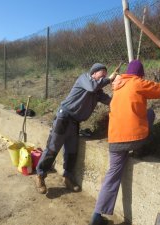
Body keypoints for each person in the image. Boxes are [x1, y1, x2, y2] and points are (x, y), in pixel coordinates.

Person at [89, 60, 160, 225]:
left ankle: (96, 215)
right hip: (135, 140)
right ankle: (140, 150)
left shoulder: (117, 86)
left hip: (115, 141)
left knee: (112, 175)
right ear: (140, 74)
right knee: (150, 113)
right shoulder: (138, 82)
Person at [35, 63, 118, 194]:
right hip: (64, 117)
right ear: (93, 73)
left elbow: (111, 101)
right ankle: (40, 176)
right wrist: (108, 80)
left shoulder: (97, 92)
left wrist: (120, 90)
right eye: (102, 73)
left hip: (75, 122)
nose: (105, 75)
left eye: (106, 74)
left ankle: (67, 178)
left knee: (72, 152)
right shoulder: (84, 79)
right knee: (52, 148)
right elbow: (92, 87)